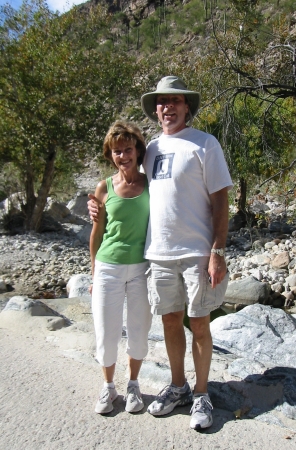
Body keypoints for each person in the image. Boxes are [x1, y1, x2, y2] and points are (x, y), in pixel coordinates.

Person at [89, 76, 232, 430]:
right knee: (170, 322)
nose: (167, 107)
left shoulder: (205, 144)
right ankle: (178, 386)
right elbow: (124, 178)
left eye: (174, 101)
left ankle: (201, 394)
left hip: (197, 251)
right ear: (156, 111)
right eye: (161, 102)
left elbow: (220, 200)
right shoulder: (150, 148)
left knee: (198, 324)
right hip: (160, 254)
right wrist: (95, 205)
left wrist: (218, 251)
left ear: (187, 107)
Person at [89, 120, 152, 415]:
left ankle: (134, 385)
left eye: (127, 149)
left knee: (139, 331)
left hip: (141, 269)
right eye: (116, 151)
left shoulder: (151, 184)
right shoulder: (104, 187)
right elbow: (97, 233)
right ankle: (108, 387)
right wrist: (93, 272)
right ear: (110, 154)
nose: (122, 156)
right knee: (106, 332)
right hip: (108, 267)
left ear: (137, 150)